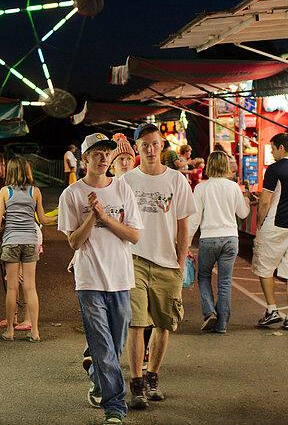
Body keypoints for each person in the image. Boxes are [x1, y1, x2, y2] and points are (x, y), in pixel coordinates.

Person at [58, 133, 143, 425]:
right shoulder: (71, 195)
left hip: (121, 278)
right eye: (97, 153)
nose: (104, 158)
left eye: (108, 153)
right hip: (90, 280)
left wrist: (106, 218)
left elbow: (133, 235)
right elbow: (73, 243)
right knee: (105, 348)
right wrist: (92, 217)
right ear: (85, 159)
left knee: (115, 345)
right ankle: (115, 407)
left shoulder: (123, 190)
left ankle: (97, 376)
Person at [120, 123, 197, 409]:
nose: (150, 149)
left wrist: (179, 263)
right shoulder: (127, 181)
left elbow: (183, 226)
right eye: (144, 145)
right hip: (134, 260)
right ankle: (137, 384)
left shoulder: (176, 180)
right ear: (137, 149)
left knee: (164, 323)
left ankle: (153, 377)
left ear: (161, 146)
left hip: (167, 264)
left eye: (154, 144)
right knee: (137, 323)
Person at [0, 155, 56, 341]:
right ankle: (35, 332)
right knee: (30, 287)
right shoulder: (35, 191)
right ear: (27, 170)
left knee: (12, 288)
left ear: (10, 171)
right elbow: (42, 219)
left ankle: (10, 331)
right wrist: (60, 216)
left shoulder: (5, 192)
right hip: (31, 241)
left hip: (11, 241)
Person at [188, 151, 250, 333]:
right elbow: (243, 214)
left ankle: (209, 312)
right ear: (226, 166)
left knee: (204, 276)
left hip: (208, 238)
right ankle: (222, 325)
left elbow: (194, 218)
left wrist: (187, 243)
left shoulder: (201, 187)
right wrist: (245, 199)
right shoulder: (233, 187)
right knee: (225, 282)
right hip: (230, 238)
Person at [252, 132, 288, 329]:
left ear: (281, 148)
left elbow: (265, 200)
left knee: (265, 267)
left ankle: (272, 310)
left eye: (273, 148)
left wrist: (259, 222)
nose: (272, 153)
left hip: (275, 224)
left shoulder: (275, 169)